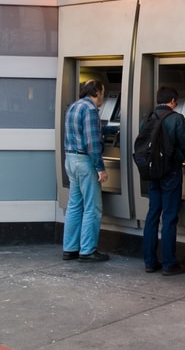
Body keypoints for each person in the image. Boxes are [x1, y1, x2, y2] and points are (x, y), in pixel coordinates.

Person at [142, 86, 185, 276]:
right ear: (172, 100)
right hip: (171, 172)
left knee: (152, 215)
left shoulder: (148, 119)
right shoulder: (176, 119)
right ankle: (169, 264)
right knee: (169, 217)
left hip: (153, 172)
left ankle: (149, 261)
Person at [62, 80, 111, 262]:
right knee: (93, 207)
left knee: (74, 205)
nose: (103, 98)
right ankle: (88, 250)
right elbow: (92, 142)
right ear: (96, 92)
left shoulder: (74, 107)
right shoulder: (90, 109)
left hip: (71, 159)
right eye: (103, 94)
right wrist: (100, 168)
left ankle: (70, 248)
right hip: (85, 161)